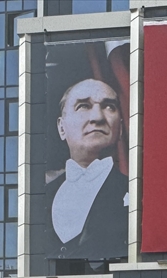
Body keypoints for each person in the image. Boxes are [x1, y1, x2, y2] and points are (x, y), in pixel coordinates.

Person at [46, 78, 127, 260]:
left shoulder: (138, 194)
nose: (97, 117)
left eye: (109, 107)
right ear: (61, 127)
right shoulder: (41, 197)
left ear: (120, 128)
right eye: (83, 106)